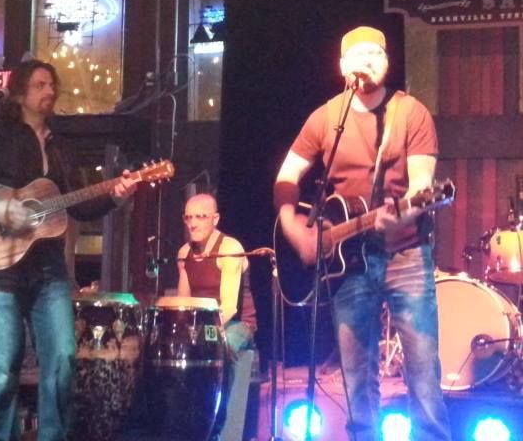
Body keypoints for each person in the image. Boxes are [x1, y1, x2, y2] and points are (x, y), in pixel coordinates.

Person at [0, 59, 137, 441]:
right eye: (40, 85)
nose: (50, 91)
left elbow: (78, 205)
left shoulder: (60, 147)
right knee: (3, 368)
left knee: (62, 358)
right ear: (20, 94)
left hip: (48, 269)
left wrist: (116, 195)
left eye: (52, 85)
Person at [273, 26, 451, 441]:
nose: (367, 61)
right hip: (348, 262)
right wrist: (294, 227)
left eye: (375, 54)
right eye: (358, 55)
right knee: (355, 376)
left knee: (423, 370)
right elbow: (287, 177)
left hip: (406, 252)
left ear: (386, 63)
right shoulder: (326, 118)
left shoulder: (411, 113)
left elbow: (422, 189)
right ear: (342, 66)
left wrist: (400, 217)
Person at [176, 193, 257, 440]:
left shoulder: (229, 249)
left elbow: (229, 308)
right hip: (203, 326)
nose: (193, 223)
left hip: (236, 324)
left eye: (200, 217)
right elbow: (183, 303)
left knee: (220, 347)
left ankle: (217, 425)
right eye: (188, 217)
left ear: (215, 218)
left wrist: (200, 336)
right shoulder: (184, 253)